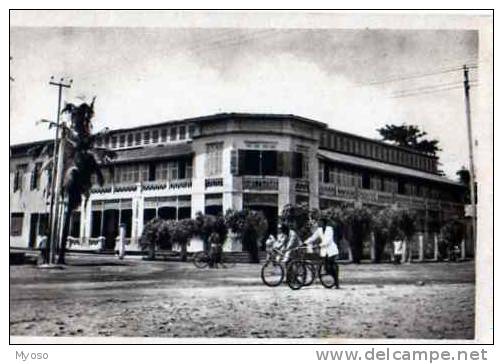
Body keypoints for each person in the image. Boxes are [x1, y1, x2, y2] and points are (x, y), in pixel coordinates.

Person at [304, 217, 340, 289]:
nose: (319, 224)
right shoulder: (319, 230)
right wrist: (305, 242)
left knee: (331, 266)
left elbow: (328, 241)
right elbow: (313, 237)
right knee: (327, 268)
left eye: (321, 222)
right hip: (324, 251)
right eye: (319, 223)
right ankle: (333, 279)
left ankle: (336, 282)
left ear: (324, 223)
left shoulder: (329, 229)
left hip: (331, 250)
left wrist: (318, 245)